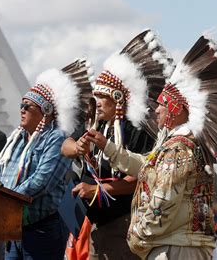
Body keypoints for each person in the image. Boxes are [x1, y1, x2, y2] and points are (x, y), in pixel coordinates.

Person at [83, 35, 217, 259]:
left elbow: (162, 204)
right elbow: (146, 165)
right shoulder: (177, 146)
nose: (155, 110)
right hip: (179, 243)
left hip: (176, 246)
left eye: (162, 105)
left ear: (175, 109)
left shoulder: (178, 151)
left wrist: (137, 236)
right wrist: (108, 147)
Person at [62, 29, 169, 259]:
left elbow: (139, 178)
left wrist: (97, 190)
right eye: (96, 97)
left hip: (124, 223)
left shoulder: (135, 131)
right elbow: (66, 145)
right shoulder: (96, 125)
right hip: (94, 223)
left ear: (118, 99)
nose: (97, 103)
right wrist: (78, 147)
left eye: (103, 97)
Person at [0, 58, 91, 260]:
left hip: (42, 231)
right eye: (21, 105)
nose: (21, 109)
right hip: (13, 228)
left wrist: (6, 199)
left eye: (27, 106)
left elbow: (43, 181)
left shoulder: (57, 138)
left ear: (45, 110)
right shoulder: (16, 139)